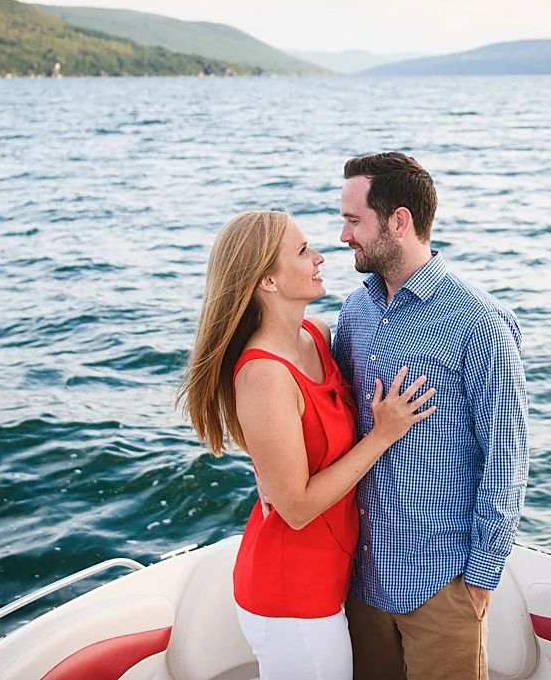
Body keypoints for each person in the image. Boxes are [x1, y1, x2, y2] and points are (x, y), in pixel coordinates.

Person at [180, 209, 436, 680]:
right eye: (301, 251)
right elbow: (295, 508)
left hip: (334, 576)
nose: (319, 257)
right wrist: (382, 436)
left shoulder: (317, 335)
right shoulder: (263, 377)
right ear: (268, 282)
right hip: (290, 596)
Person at [333, 152, 529, 680]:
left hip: (441, 584)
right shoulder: (354, 313)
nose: (343, 234)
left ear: (399, 221)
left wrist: (479, 582)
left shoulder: (479, 322)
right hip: (363, 581)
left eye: (353, 220)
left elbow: (507, 461)